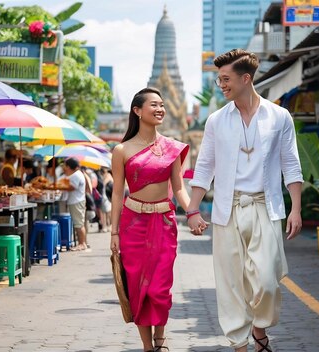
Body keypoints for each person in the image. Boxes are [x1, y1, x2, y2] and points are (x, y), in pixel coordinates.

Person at [186, 49, 303, 352]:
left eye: (225, 79)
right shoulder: (216, 121)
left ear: (245, 78)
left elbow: (291, 163)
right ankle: (240, 345)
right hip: (228, 209)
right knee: (231, 284)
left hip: (266, 207)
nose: (220, 85)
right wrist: (193, 209)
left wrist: (296, 209)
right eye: (219, 79)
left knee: (267, 281)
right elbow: (205, 166)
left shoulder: (279, 116)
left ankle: (259, 330)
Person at [109, 87, 190, 352]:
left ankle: (160, 338)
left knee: (160, 288)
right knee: (137, 287)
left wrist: (193, 212)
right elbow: (118, 192)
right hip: (133, 225)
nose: (160, 109)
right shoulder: (121, 150)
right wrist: (114, 233)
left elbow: (179, 189)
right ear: (137, 111)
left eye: (162, 105)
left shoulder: (171, 148)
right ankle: (147, 345)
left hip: (164, 223)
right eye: (154, 105)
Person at [62, 158, 89, 252]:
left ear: (69, 166)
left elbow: (72, 187)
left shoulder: (76, 175)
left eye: (65, 165)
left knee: (79, 224)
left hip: (76, 201)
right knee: (79, 223)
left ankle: (82, 244)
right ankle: (82, 243)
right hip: (76, 201)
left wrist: (61, 186)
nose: (64, 167)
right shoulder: (76, 174)